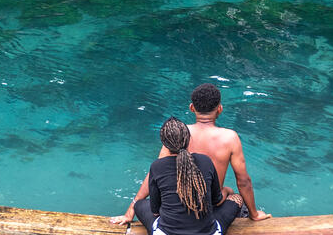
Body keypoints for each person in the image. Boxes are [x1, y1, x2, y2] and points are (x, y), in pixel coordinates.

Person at [112, 84, 271, 228]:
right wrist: (254, 214)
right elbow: (243, 181)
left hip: (172, 211)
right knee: (236, 196)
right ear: (220, 109)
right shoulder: (230, 138)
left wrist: (130, 211)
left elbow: (154, 174)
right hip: (210, 210)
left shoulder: (178, 134)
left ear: (192, 107)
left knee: (145, 204)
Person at [134, 117, 238, 235]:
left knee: (139, 204)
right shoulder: (205, 161)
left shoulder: (157, 166)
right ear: (188, 139)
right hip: (209, 232)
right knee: (237, 199)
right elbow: (216, 200)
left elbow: (155, 210)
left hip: (165, 232)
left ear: (165, 144)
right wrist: (228, 191)